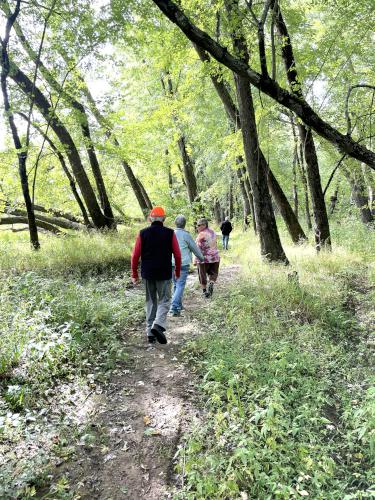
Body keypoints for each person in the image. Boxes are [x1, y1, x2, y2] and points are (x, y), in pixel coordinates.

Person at [131, 206, 181, 345]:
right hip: (164, 273)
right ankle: (158, 325)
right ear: (163, 219)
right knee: (165, 300)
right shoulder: (170, 233)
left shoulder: (143, 233)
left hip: (148, 273)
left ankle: (149, 333)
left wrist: (134, 274)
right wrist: (177, 272)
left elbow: (135, 255)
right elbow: (177, 254)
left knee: (151, 301)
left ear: (150, 219)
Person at [170, 215, 204, 316]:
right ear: (184, 224)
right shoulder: (186, 235)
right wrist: (201, 258)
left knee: (176, 284)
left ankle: (179, 305)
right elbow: (194, 248)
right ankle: (174, 307)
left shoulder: (170, 234)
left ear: (175, 223)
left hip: (171, 263)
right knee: (180, 285)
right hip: (182, 264)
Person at [195, 217, 220, 298]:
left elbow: (197, 249)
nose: (197, 227)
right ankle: (211, 283)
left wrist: (195, 260)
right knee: (213, 273)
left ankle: (205, 292)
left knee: (202, 275)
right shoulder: (213, 232)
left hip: (204, 259)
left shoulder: (201, 235)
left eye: (199, 225)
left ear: (204, 225)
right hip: (215, 257)